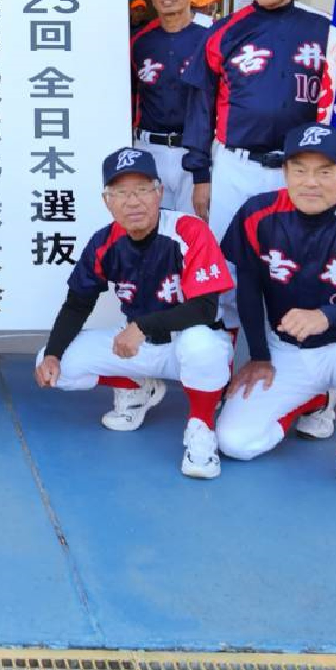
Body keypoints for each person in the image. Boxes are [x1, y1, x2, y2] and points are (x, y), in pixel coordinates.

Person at [214, 124, 336, 512]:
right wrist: (259, 356)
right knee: (236, 443)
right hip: (289, 351)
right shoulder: (258, 212)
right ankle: (318, 398)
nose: (311, 182)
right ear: (285, 172)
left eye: (325, 171)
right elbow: (248, 287)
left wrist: (327, 316)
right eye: (300, 169)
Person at [33, 148, 233, 480]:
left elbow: (205, 307)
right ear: (107, 201)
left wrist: (142, 326)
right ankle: (139, 387)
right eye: (121, 192)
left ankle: (201, 427)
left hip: (187, 342)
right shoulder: (104, 242)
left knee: (202, 345)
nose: (133, 201)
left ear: (159, 193)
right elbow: (77, 304)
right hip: (140, 346)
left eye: (142, 189)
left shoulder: (188, 230)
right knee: (52, 364)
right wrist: (54, 352)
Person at [182, 0, 336, 247]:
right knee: (228, 261)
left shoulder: (328, 30)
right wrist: (200, 175)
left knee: (292, 258)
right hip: (236, 167)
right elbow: (200, 108)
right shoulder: (223, 31)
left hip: (301, 170)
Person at [129, 0, 214, 212]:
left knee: (193, 231)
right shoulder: (138, 41)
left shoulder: (213, 36)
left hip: (197, 152)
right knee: (151, 229)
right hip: (149, 148)